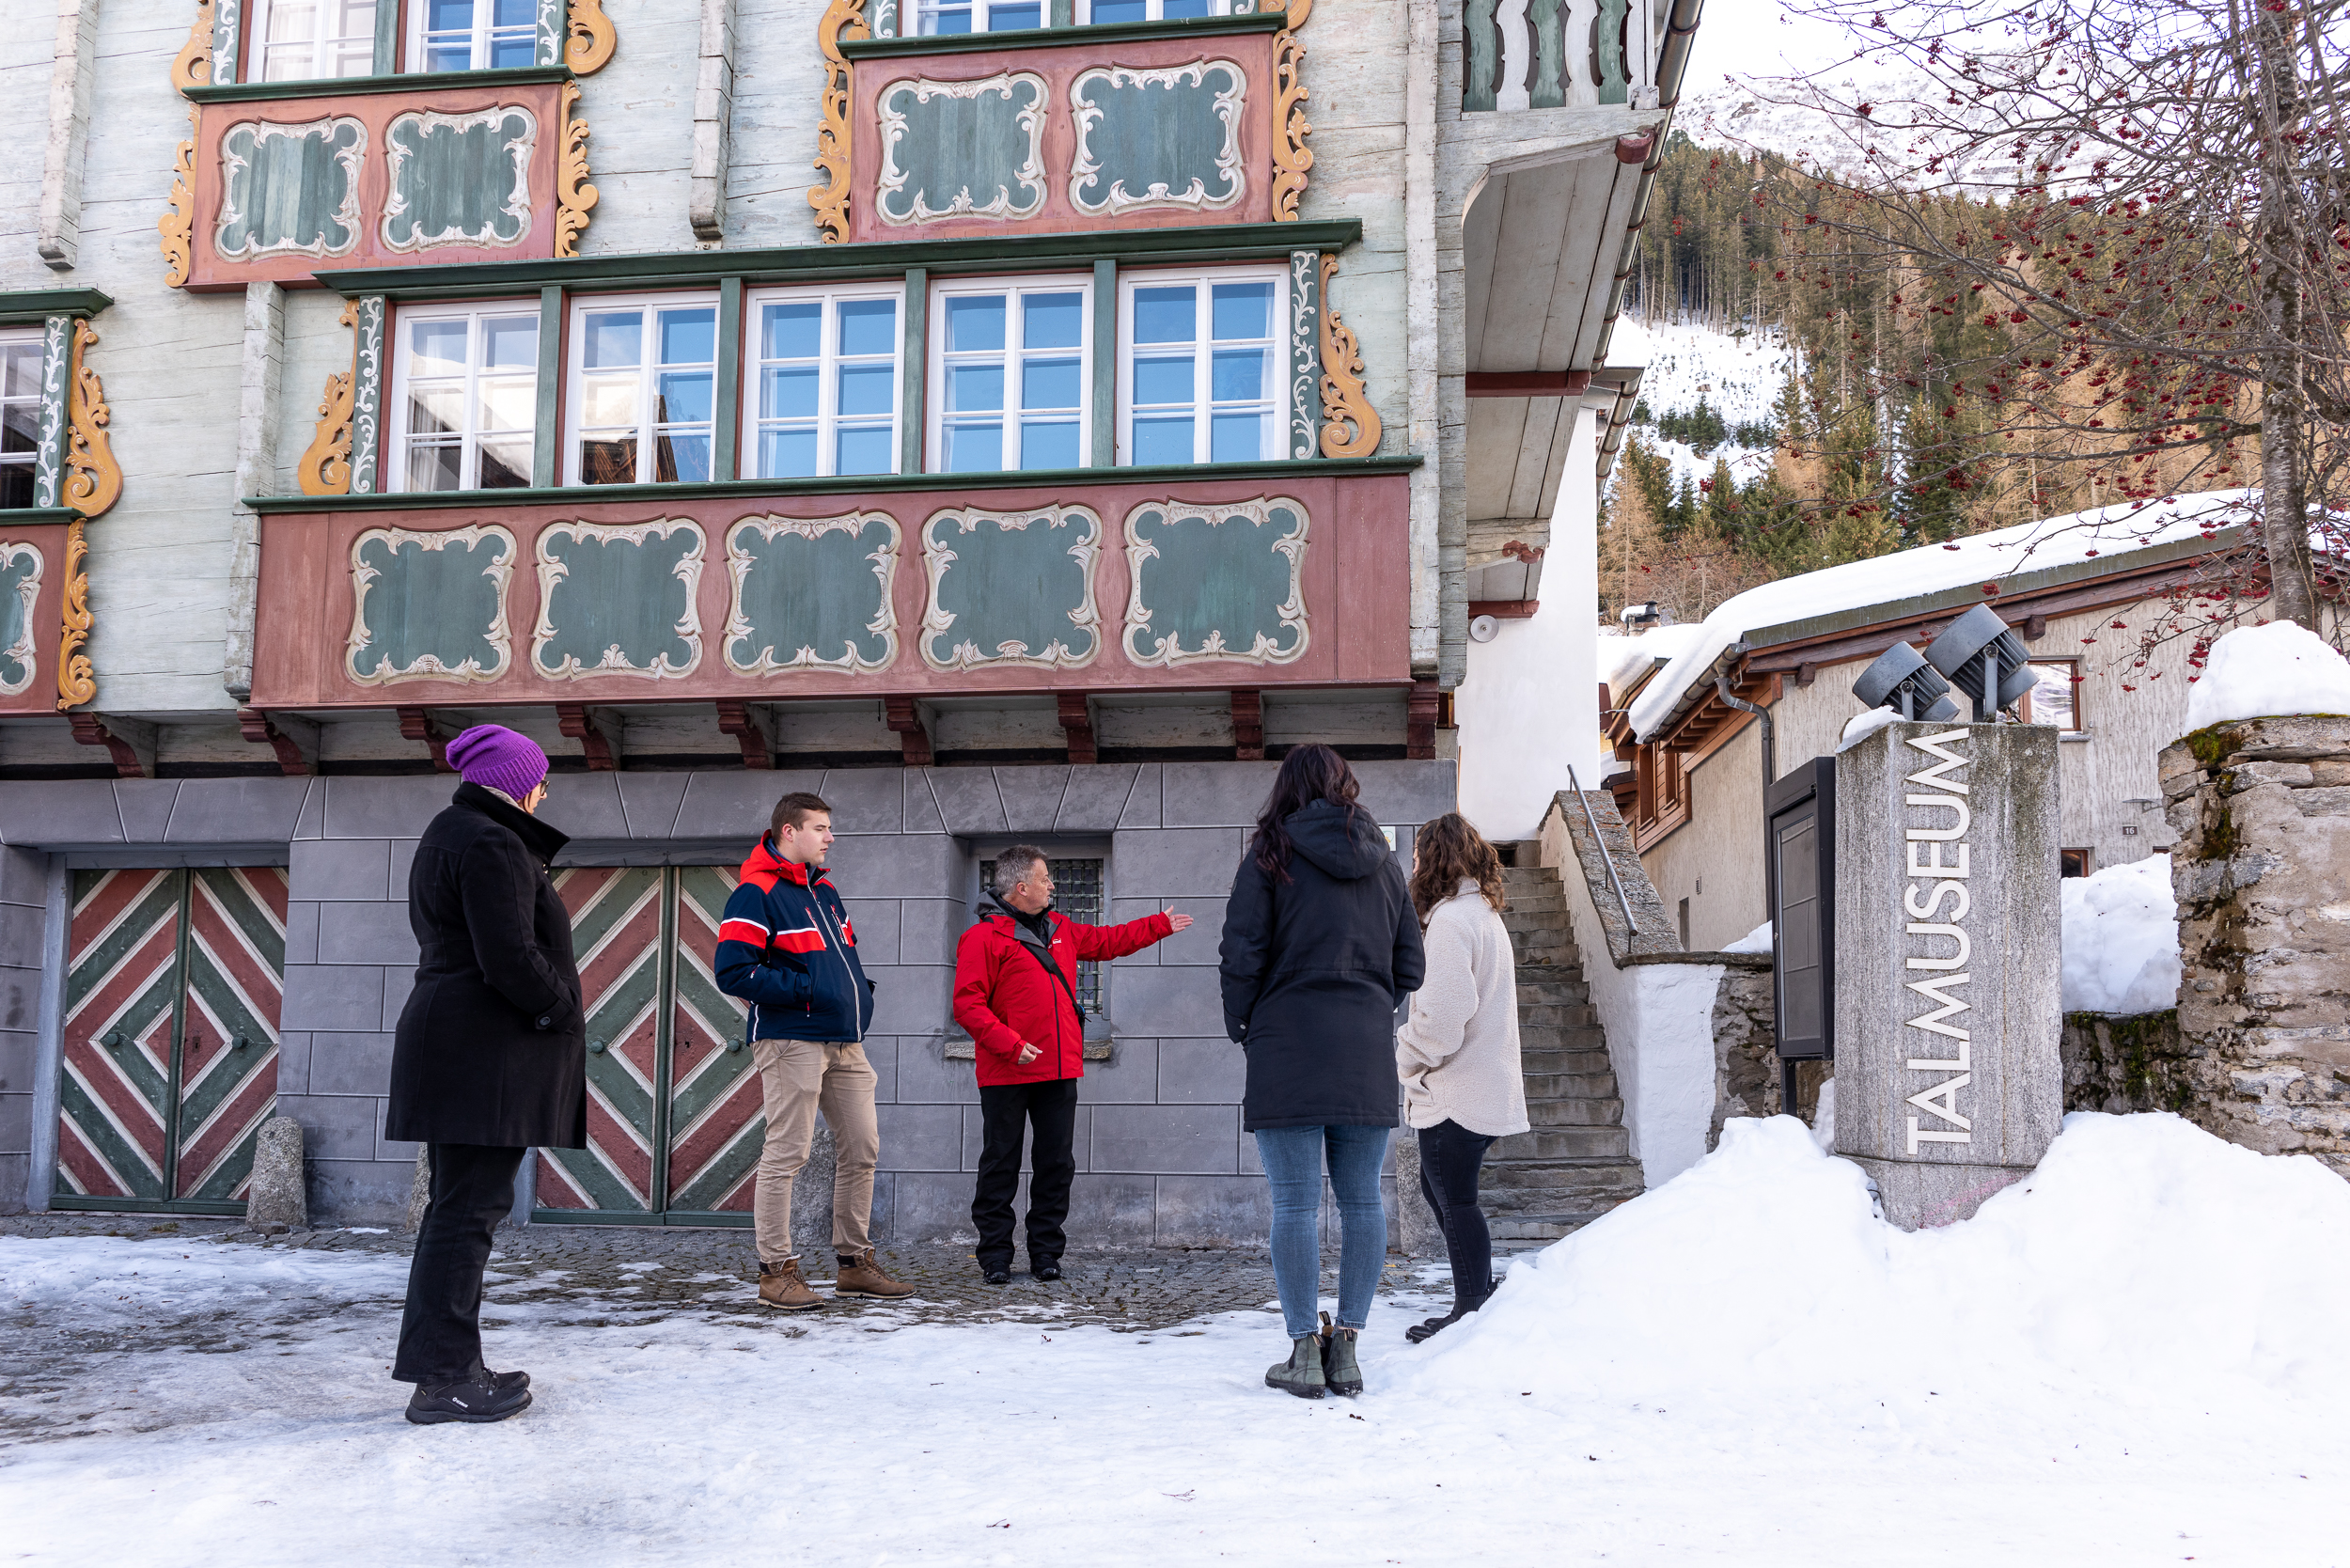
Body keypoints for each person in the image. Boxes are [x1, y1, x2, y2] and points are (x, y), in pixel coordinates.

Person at [386, 724, 586, 1425]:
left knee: (458, 1213)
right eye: (539, 777)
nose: (545, 789)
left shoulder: (455, 832)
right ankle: (443, 1380)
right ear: (514, 781)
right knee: (466, 1216)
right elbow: (508, 954)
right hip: (480, 1053)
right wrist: (558, 1008)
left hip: (462, 1047)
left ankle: (449, 1364)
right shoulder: (492, 839)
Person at [1219, 744, 1424, 1399]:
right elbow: (1410, 965)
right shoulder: (1386, 864)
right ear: (1345, 787)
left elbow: (1240, 953)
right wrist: (1372, 1006)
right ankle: (1351, 1350)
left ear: (1288, 788)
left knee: (1296, 1203)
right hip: (1363, 1047)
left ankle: (1305, 1349)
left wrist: (1245, 1026)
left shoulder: (1270, 855)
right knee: (1364, 1199)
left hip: (1286, 1044)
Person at [714, 791, 916, 1309]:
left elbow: (841, 961)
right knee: (788, 1153)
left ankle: (853, 1265)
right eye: (821, 828)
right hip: (791, 1040)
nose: (830, 837)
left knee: (863, 1148)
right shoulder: (755, 893)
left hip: (845, 1041)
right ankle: (775, 1272)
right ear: (790, 832)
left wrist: (857, 996)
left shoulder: (824, 893)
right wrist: (808, 992)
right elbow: (733, 971)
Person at [953, 848, 1192, 1284]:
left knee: (1055, 1164)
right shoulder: (982, 938)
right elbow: (968, 1005)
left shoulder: (1062, 928)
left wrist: (1157, 926)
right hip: (1007, 1071)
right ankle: (995, 1257)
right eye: (1044, 879)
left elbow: (1107, 942)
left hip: (1059, 1069)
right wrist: (1010, 1044)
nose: (1052, 885)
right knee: (1000, 1163)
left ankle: (1045, 1252)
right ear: (1020, 887)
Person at [1395, 813, 1528, 1344]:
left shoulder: (1452, 921)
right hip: (1481, 1081)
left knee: (1454, 1199)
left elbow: (1444, 1014)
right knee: (1447, 1194)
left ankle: (1472, 1308)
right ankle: (1474, 1298)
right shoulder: (1483, 915)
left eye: (1420, 854)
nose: (1414, 863)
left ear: (1437, 859)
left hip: (1458, 1089)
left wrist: (1406, 1056)